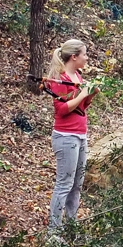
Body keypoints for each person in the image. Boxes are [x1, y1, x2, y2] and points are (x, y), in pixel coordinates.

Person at [47, 39, 99, 230]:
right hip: (65, 137)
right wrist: (82, 94)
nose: (87, 58)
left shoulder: (77, 75)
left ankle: (71, 226)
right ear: (74, 56)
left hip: (80, 135)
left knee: (77, 184)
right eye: (84, 54)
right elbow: (61, 110)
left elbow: (81, 108)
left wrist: (90, 94)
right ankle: (54, 230)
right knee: (64, 184)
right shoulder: (59, 79)